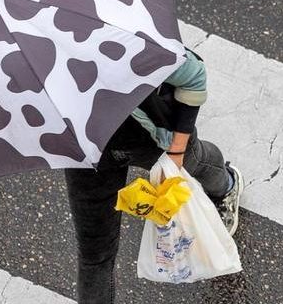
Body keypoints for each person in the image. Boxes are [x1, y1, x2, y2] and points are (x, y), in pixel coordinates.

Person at [64, 47, 242, 304]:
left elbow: (193, 74)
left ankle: (226, 185)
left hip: (157, 138)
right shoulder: (29, 63)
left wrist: (177, 151)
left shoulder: (118, 36)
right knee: (94, 256)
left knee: (196, 163)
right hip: (88, 158)